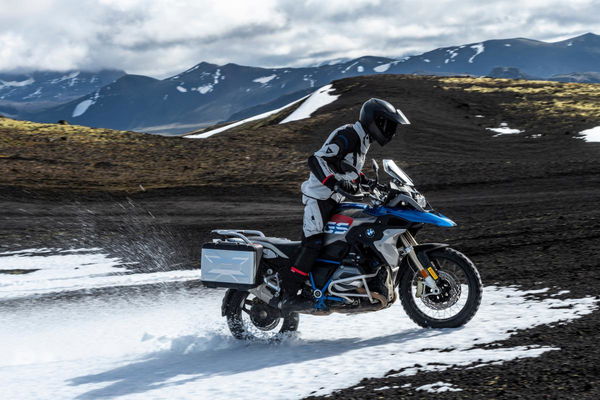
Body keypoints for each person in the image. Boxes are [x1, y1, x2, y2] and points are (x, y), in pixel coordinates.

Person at [277, 98, 410, 311]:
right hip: (319, 199)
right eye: (389, 125)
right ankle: (289, 295)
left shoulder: (363, 140)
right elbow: (317, 160)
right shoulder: (348, 134)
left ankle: (345, 281)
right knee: (313, 243)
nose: (392, 131)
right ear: (376, 121)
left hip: (335, 200)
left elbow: (347, 169)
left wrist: (374, 185)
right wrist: (333, 183)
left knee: (348, 239)